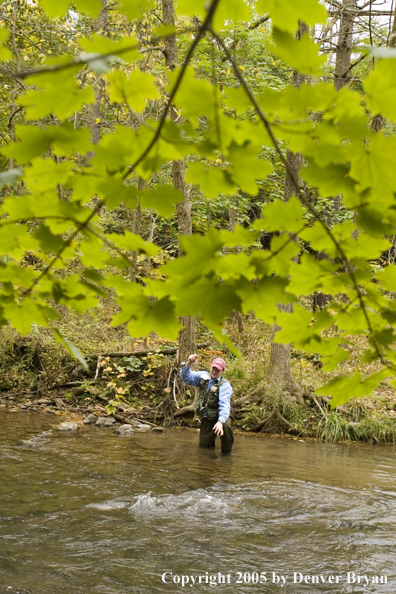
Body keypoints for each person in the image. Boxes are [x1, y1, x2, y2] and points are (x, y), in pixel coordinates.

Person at [180, 354, 234, 454]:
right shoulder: (203, 376)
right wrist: (189, 363)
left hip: (222, 415)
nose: (214, 371)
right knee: (204, 448)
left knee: (225, 428)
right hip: (208, 415)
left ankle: (226, 455)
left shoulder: (225, 385)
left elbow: (225, 405)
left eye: (217, 370)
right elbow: (185, 377)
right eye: (213, 368)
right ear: (211, 367)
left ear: (222, 371)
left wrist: (220, 422)